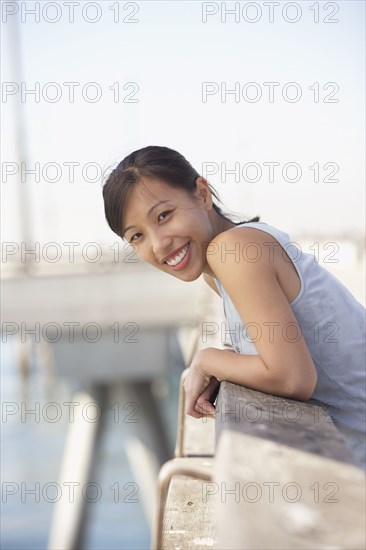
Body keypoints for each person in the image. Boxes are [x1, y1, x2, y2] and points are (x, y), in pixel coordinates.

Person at [102, 145, 366, 470]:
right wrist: (232, 366)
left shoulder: (234, 251)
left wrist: (208, 360)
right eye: (137, 236)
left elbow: (293, 378)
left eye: (164, 216)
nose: (158, 244)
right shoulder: (223, 264)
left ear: (201, 194)